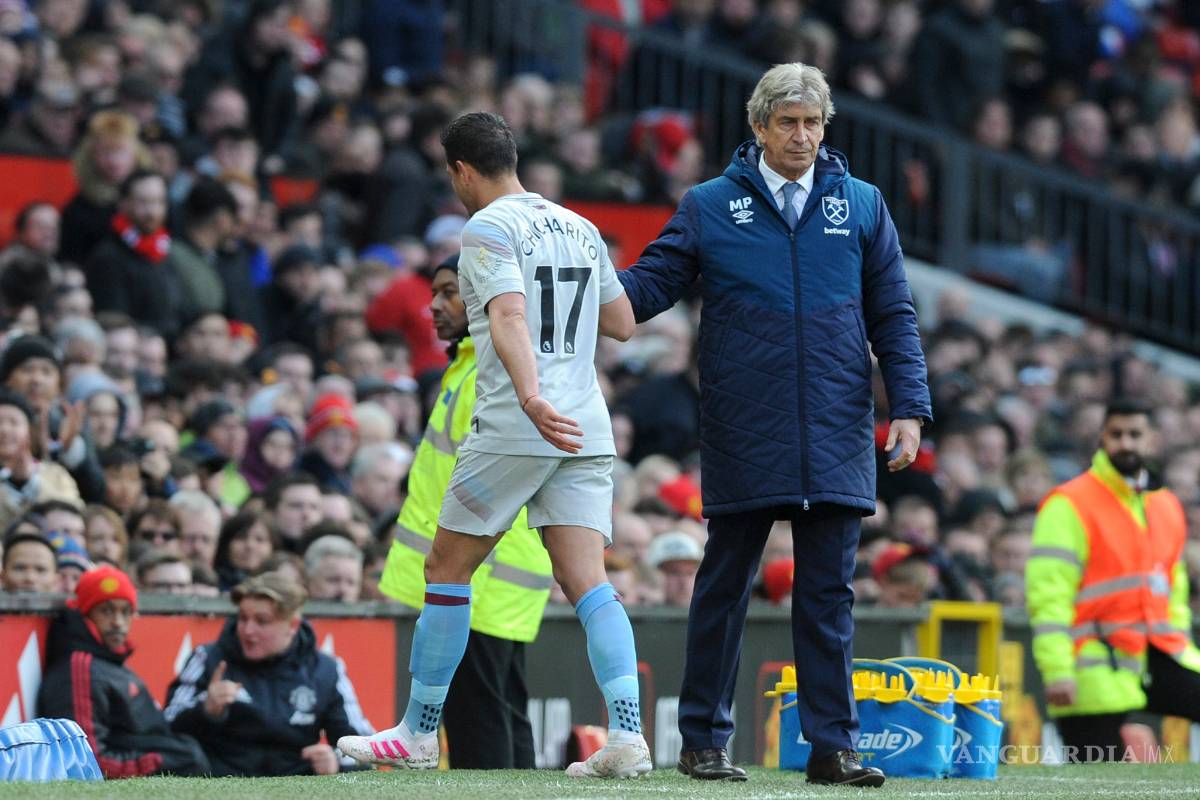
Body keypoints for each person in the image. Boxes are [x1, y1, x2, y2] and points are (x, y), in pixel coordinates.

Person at [617, 63, 931, 786]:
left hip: (837, 421)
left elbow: (894, 314)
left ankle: (833, 747)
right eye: (787, 122)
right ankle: (702, 741)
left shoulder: (861, 205)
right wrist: (589, 285)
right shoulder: (707, 205)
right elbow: (649, 286)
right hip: (743, 423)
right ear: (757, 127)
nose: (802, 136)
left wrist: (909, 408)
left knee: (828, 596)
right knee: (724, 584)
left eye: (813, 123)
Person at [337, 111, 648, 779]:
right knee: (589, 584)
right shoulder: (580, 226)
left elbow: (507, 313)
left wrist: (532, 393)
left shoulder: (487, 227)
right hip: (586, 425)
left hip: (521, 422)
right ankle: (627, 735)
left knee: (445, 570)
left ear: (463, 171)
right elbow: (621, 323)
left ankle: (418, 735)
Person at [375, 255, 554, 769]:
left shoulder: (488, 372)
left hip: (477, 578)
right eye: (434, 292)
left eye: (450, 292)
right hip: (490, 576)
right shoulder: (475, 364)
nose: (434, 305)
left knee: (479, 727)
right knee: (502, 717)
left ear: (482, 297)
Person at [1027, 399, 1200, 761]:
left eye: (1135, 434)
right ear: (1102, 438)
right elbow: (1049, 595)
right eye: (1116, 434)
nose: (1126, 443)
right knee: (1096, 778)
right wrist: (1058, 670)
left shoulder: (1166, 505)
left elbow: (1174, 589)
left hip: (1158, 651)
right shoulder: (1069, 503)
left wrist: (1179, 638)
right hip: (1093, 664)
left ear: (1151, 440)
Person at [164, 571, 372, 776]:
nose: (247, 630)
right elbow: (165, 728)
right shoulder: (207, 658)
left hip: (296, 784)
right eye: (243, 618)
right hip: (216, 780)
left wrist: (336, 761)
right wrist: (205, 709)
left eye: (261, 621)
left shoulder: (326, 669)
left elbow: (363, 746)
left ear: (292, 625)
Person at [37, 565, 210, 777]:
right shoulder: (80, 666)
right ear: (85, 614)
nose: (118, 623)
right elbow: (86, 758)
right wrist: (165, 761)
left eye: (126, 612)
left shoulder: (106, 661)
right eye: (106, 610)